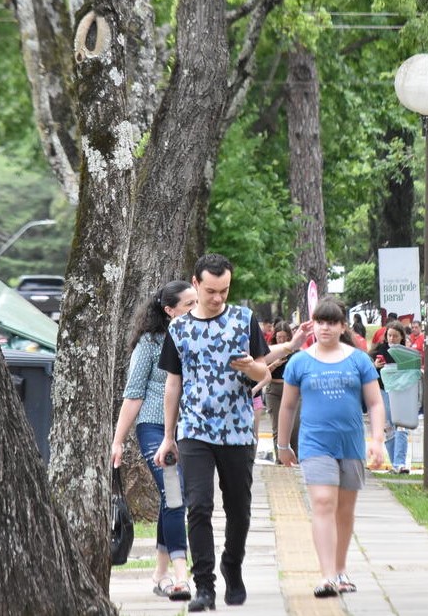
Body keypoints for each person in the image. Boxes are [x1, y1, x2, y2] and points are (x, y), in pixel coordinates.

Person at [154, 254, 309, 612]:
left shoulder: (243, 319)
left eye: (224, 290)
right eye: (211, 291)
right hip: (194, 430)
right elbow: (172, 385)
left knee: (239, 510)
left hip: (238, 430)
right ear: (195, 284)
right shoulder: (178, 330)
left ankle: (232, 566)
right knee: (199, 507)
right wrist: (168, 435)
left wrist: (251, 366)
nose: (218, 298)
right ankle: (204, 585)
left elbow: (263, 373)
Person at [277, 297, 386, 598]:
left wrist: (377, 440)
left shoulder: (359, 359)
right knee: (324, 502)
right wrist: (283, 445)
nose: (325, 328)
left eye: (331, 322)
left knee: (345, 510)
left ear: (341, 326)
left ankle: (340, 569)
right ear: (313, 324)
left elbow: (375, 403)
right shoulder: (299, 361)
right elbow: (287, 407)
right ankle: (326, 576)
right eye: (320, 322)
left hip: (350, 444)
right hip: (315, 444)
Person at [110, 280, 198, 601]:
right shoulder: (150, 342)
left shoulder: (197, 338)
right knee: (174, 494)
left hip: (188, 429)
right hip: (153, 427)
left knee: (171, 496)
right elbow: (133, 394)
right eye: (188, 304)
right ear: (169, 310)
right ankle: (179, 575)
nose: (195, 308)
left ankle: (159, 573)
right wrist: (117, 441)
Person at [370, 322, 410, 473]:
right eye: (389, 335)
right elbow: (367, 374)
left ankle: (400, 463)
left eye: (395, 336)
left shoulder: (406, 353)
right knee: (389, 428)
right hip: (383, 392)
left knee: (401, 426)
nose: (392, 339)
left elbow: (411, 372)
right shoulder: (378, 352)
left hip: (401, 392)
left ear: (402, 337)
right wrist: (375, 366)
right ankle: (396, 464)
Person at [264, 322, 299, 462]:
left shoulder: (296, 352)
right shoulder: (269, 351)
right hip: (274, 390)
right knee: (277, 428)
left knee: (295, 427)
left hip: (292, 390)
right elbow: (260, 373)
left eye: (285, 337)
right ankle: (280, 461)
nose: (282, 340)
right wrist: (275, 364)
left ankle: (295, 459)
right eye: (279, 337)